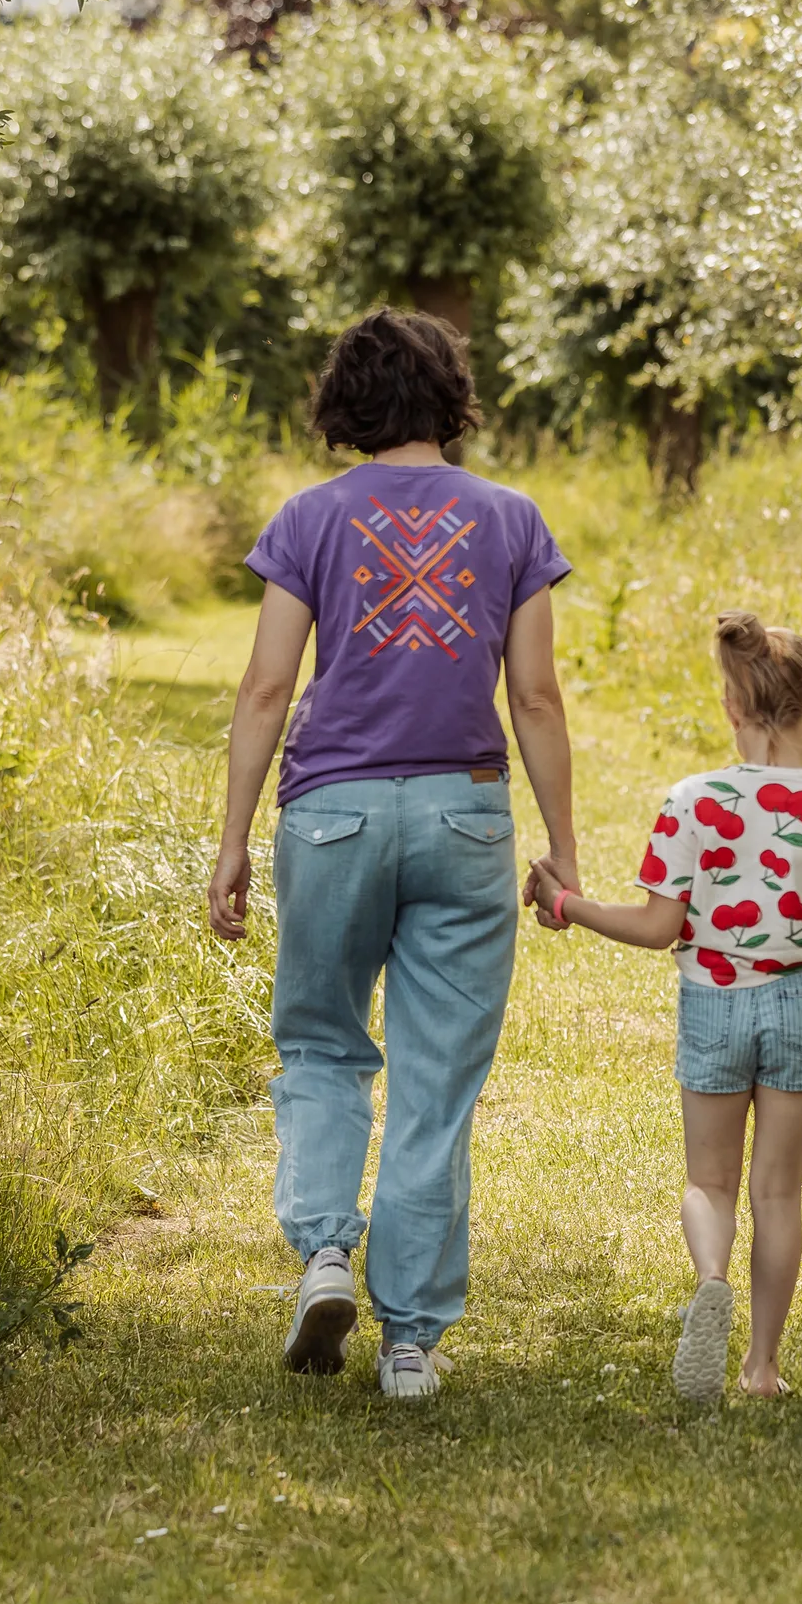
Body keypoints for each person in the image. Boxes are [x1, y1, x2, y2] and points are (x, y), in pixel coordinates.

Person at [206, 309, 578, 1402]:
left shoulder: (309, 518)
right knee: (436, 1082)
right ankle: (410, 1341)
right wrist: (562, 846)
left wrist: (233, 840)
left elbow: (266, 686)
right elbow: (536, 697)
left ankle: (326, 1248)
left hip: (332, 814)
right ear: (450, 397)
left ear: (346, 401)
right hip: (466, 814)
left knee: (322, 1044)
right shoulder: (511, 518)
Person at [528, 612, 802, 1404]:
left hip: (712, 1002)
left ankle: (711, 1279)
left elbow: (658, 926)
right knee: (778, 1191)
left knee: (710, 1182)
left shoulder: (691, 801)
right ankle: (761, 1366)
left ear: (730, 706)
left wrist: (566, 904)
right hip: (800, 1003)